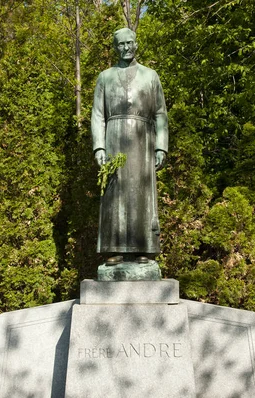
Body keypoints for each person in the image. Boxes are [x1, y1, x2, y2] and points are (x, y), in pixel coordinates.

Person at [91, 27, 169, 266]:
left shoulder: (150, 76)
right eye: (121, 44)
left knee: (142, 193)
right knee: (115, 193)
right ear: (115, 47)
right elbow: (97, 115)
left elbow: (160, 114)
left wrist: (161, 147)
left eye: (129, 43)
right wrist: (99, 147)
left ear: (136, 44)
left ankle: (144, 247)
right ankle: (114, 249)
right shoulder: (105, 77)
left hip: (142, 140)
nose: (126, 48)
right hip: (114, 139)